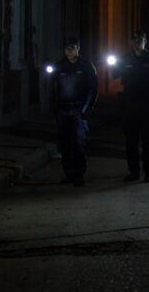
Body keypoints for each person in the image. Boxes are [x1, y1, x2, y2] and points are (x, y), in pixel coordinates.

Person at [112, 30, 149, 183]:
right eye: (134, 40)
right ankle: (134, 172)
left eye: (140, 39)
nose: (137, 42)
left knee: (148, 141)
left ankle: (148, 172)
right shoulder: (125, 58)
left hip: (147, 104)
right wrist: (114, 65)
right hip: (130, 105)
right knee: (131, 142)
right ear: (131, 42)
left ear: (145, 41)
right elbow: (115, 75)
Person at [49, 37, 98, 187]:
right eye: (67, 48)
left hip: (78, 110)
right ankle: (68, 174)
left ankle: (79, 174)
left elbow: (93, 88)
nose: (69, 51)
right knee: (64, 144)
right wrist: (54, 107)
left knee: (79, 143)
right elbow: (52, 88)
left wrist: (87, 108)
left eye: (72, 48)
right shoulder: (59, 66)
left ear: (78, 49)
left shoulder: (86, 66)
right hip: (63, 110)